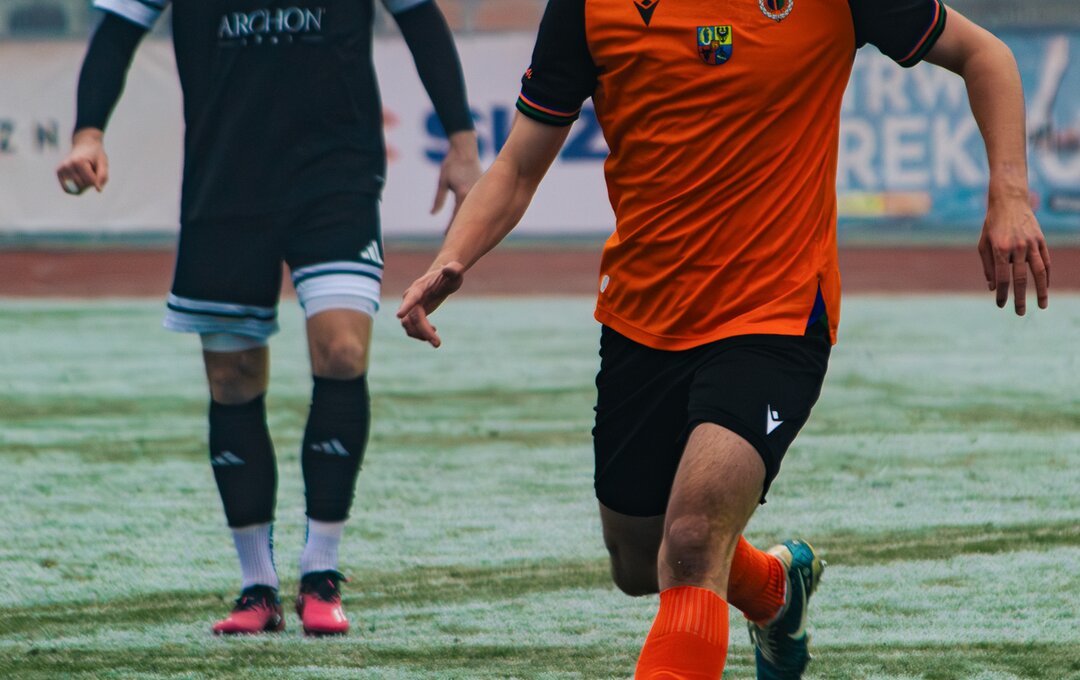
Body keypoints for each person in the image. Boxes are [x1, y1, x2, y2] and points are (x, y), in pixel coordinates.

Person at [397, 0, 1050, 677]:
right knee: (637, 559)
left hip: (777, 314)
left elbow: (985, 55)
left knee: (690, 541)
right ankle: (776, 588)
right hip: (643, 317)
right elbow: (518, 167)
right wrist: (454, 257)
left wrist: (1009, 192)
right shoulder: (588, 7)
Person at [57, 0, 481, 636]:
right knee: (232, 379)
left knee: (342, 351)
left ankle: (321, 573)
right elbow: (117, 30)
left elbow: (419, 16)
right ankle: (257, 587)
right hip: (225, 178)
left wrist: (462, 142)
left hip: (337, 172)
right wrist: (87, 132)